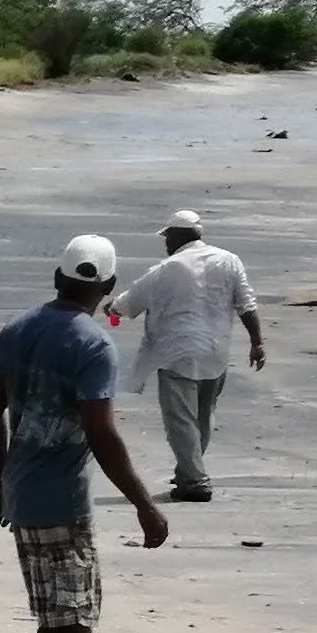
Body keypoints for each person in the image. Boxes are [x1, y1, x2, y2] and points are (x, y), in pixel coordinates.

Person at [0, 235, 173, 633]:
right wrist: (144, 503)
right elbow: (102, 434)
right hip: (61, 497)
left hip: (25, 489)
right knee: (64, 615)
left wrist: (3, 478)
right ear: (107, 288)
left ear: (57, 278)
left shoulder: (18, 328)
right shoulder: (93, 343)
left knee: (73, 608)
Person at [120, 209, 264, 503]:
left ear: (177, 236)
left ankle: (196, 481)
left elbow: (132, 299)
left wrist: (113, 309)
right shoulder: (229, 260)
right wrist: (257, 342)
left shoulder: (168, 268)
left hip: (178, 353)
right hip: (216, 351)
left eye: (167, 237)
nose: (165, 243)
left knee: (180, 419)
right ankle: (188, 473)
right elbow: (246, 304)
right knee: (203, 416)